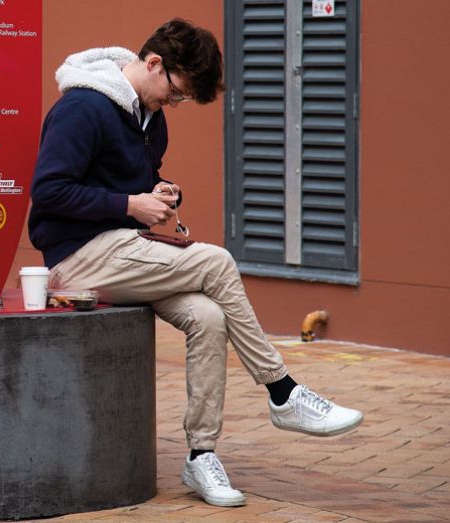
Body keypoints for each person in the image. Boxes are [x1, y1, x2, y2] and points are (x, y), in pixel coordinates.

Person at [27, 18, 363, 508]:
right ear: (153, 63)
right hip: (76, 259)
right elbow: (49, 191)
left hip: (124, 250)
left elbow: (136, 178)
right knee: (218, 261)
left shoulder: (148, 115)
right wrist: (130, 205)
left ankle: (200, 453)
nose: (173, 105)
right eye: (175, 94)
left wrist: (160, 190)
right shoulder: (82, 107)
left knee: (208, 317)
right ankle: (282, 391)